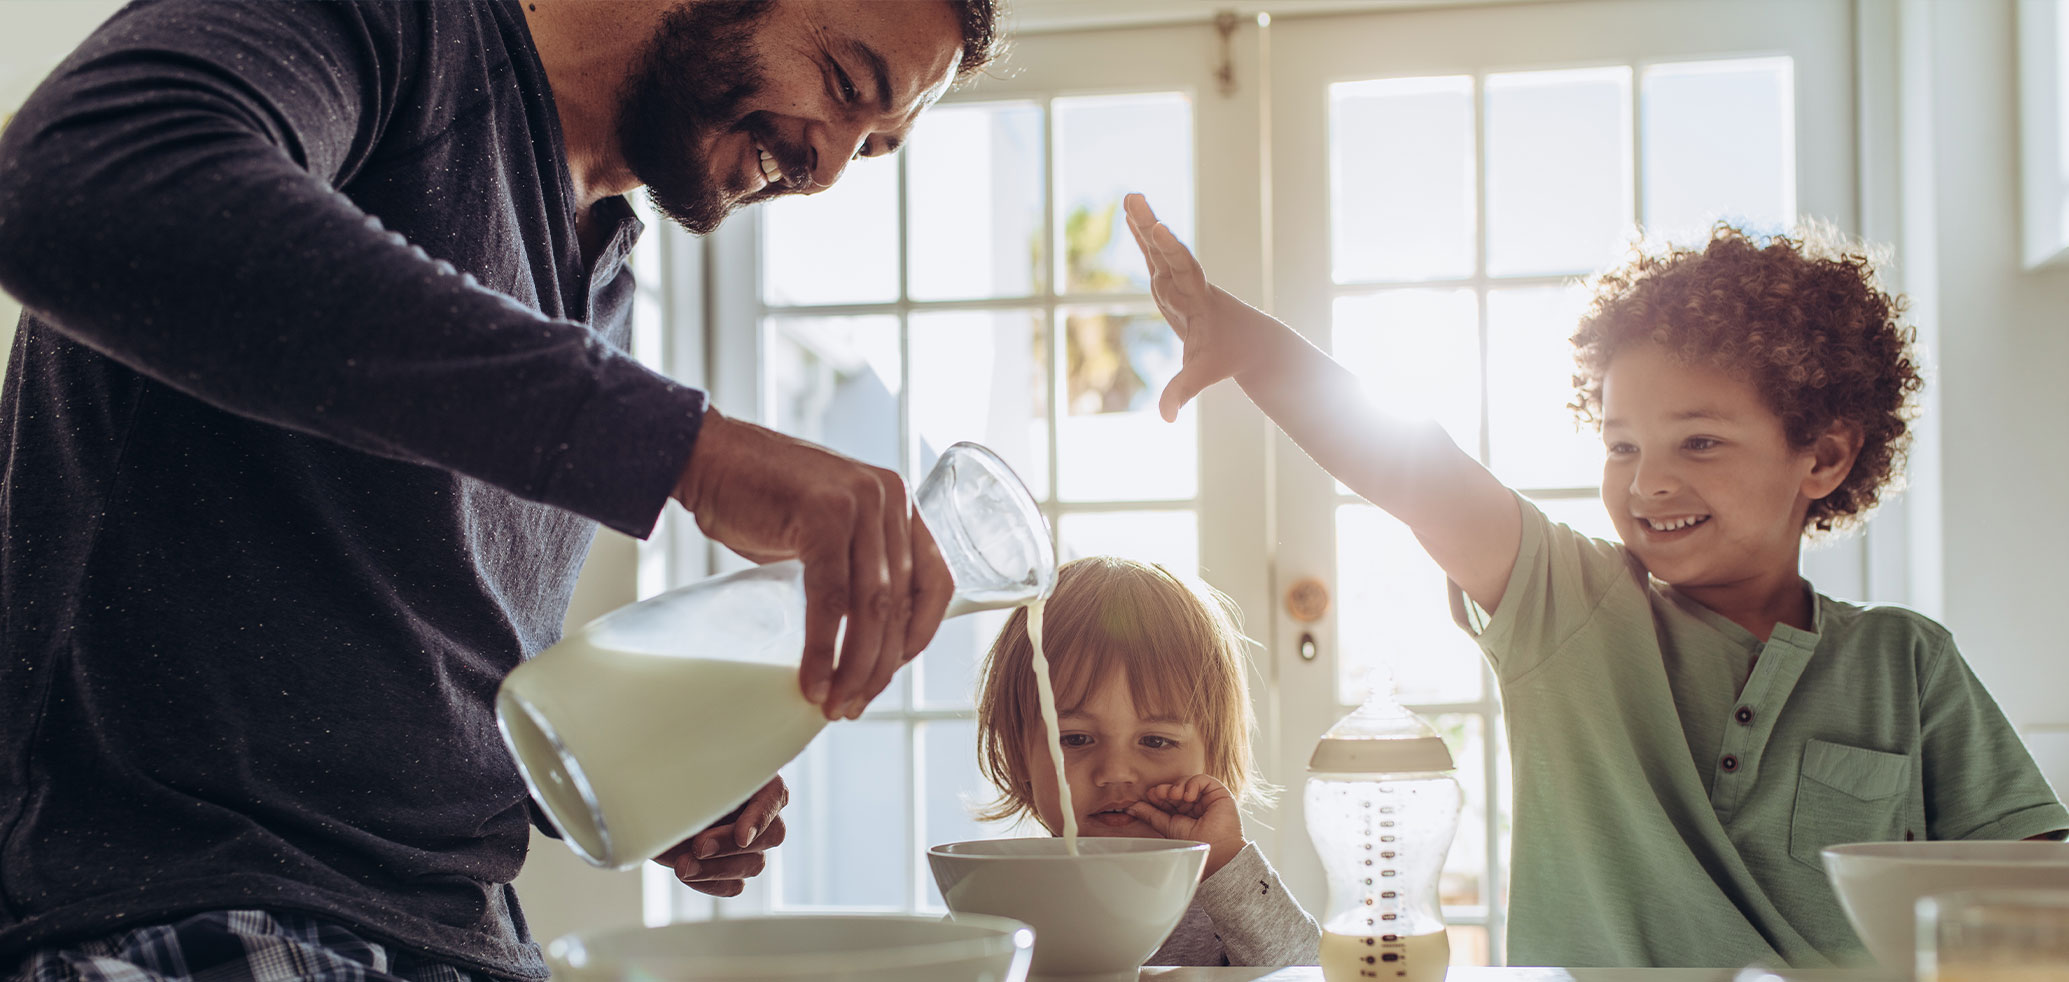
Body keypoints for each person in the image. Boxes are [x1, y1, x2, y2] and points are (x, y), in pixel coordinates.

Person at [0, 1, 1002, 980]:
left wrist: (627, 769)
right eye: (843, 86)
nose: (826, 168)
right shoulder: (402, 32)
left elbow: (413, 663)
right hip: (180, 900)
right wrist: (688, 448)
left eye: (870, 148)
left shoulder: (601, 276)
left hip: (463, 937)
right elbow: (75, 181)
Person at [1120, 193, 2069, 969]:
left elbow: (2035, 894)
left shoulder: (1907, 662)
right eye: (1622, 446)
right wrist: (1253, 350)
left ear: (1821, 457)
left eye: (1698, 441)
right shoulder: (1568, 611)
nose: (1648, 481)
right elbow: (1412, 466)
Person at [973, 556, 1323, 968]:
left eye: (1156, 741)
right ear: (1018, 756)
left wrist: (1226, 861)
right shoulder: (998, 896)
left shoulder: (1224, 895)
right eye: (1076, 739)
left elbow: (1307, 971)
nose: (1116, 772)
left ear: (1213, 753)